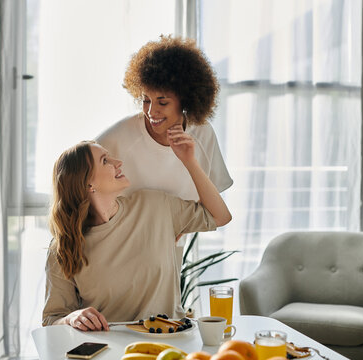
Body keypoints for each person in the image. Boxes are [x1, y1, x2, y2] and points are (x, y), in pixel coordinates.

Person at [43, 124, 231, 331]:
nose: (118, 162)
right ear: (88, 185)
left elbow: (220, 216)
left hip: (171, 342)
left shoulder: (155, 206)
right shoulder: (64, 247)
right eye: (105, 161)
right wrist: (72, 318)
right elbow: (52, 319)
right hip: (108, 348)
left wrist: (189, 161)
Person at [96, 35, 233, 203]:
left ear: (185, 100)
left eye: (162, 102)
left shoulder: (203, 133)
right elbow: (75, 180)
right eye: (146, 100)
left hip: (186, 228)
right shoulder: (119, 137)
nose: (151, 111)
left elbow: (212, 204)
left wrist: (177, 229)